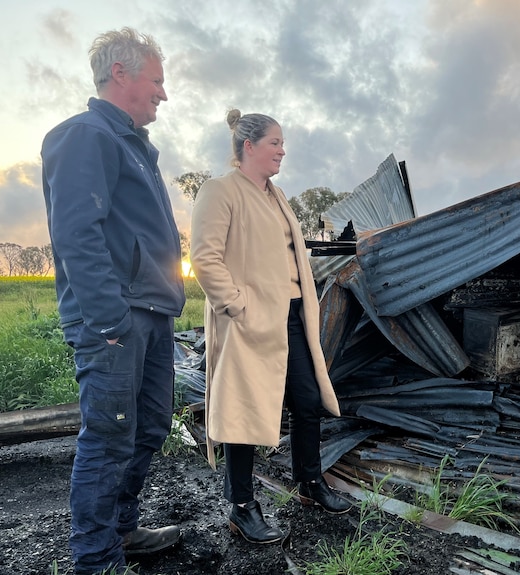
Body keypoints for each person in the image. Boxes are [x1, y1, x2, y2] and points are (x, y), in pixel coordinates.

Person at [41, 27, 186, 575]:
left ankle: (122, 529)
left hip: (150, 310)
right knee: (108, 434)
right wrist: (108, 320)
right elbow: (77, 233)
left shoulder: (134, 144)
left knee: (149, 426)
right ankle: (95, 557)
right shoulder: (83, 135)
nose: (163, 94)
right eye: (157, 81)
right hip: (115, 319)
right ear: (120, 73)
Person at [190, 110, 351, 544]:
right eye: (275, 142)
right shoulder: (220, 191)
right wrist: (239, 307)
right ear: (249, 146)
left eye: (282, 143)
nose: (282, 150)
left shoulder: (276, 196)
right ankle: (242, 507)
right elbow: (205, 258)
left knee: (306, 399)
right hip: (249, 321)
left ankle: (309, 483)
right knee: (243, 410)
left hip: (293, 315)